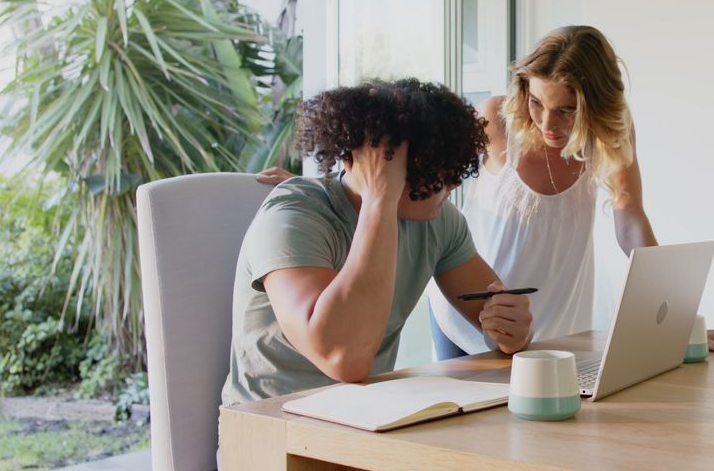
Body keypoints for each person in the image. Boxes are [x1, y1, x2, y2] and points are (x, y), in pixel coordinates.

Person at [257, 26, 714, 358]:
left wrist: (675, 319)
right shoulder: (496, 122)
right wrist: (334, 185)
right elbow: (408, 164)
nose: (549, 123)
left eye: (567, 110)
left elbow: (629, 219)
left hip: (545, 316)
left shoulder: (609, 139)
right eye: (540, 103)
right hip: (467, 316)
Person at [223, 78, 534, 406]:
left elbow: (497, 316)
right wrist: (379, 199)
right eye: (437, 174)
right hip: (270, 427)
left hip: (365, 417)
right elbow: (344, 358)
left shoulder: (438, 223)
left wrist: (512, 330)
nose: (452, 185)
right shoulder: (293, 217)